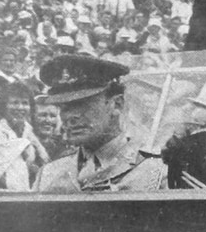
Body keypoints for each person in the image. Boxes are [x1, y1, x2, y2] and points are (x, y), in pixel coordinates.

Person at [33, 55, 167, 193]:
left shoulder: (156, 173)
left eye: (82, 105)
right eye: (64, 107)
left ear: (117, 104)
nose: (70, 116)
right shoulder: (48, 175)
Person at [0, 80, 44, 190]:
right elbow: (0, 179)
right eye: (15, 103)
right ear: (4, 106)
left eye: (25, 103)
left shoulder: (27, 131)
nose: (20, 108)